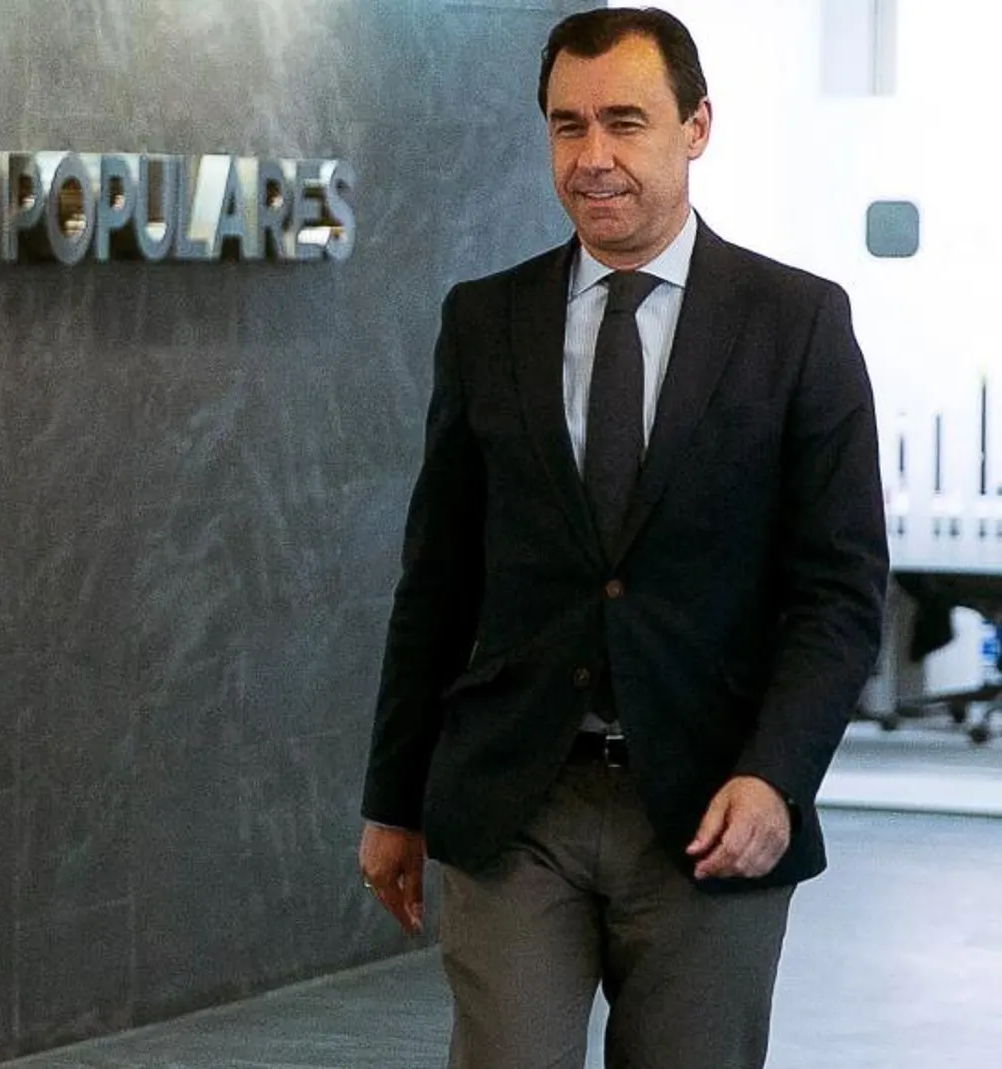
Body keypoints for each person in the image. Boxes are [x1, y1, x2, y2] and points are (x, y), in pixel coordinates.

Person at [356, 8, 886, 1068]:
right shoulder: (483, 320)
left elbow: (837, 591)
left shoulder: (797, 323)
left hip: (709, 809)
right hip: (518, 800)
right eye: (566, 125)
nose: (591, 157)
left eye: (624, 122)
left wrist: (777, 775)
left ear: (694, 127)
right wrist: (391, 798)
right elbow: (437, 578)